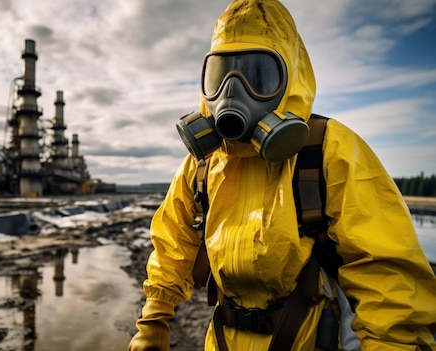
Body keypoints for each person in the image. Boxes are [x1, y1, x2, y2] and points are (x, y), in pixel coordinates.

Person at [128, 0, 436, 350]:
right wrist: (153, 319)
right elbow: (172, 246)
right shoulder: (203, 164)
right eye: (221, 75)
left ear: (291, 78)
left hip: (309, 338)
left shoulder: (329, 150)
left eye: (257, 77)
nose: (233, 92)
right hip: (222, 340)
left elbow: (387, 276)